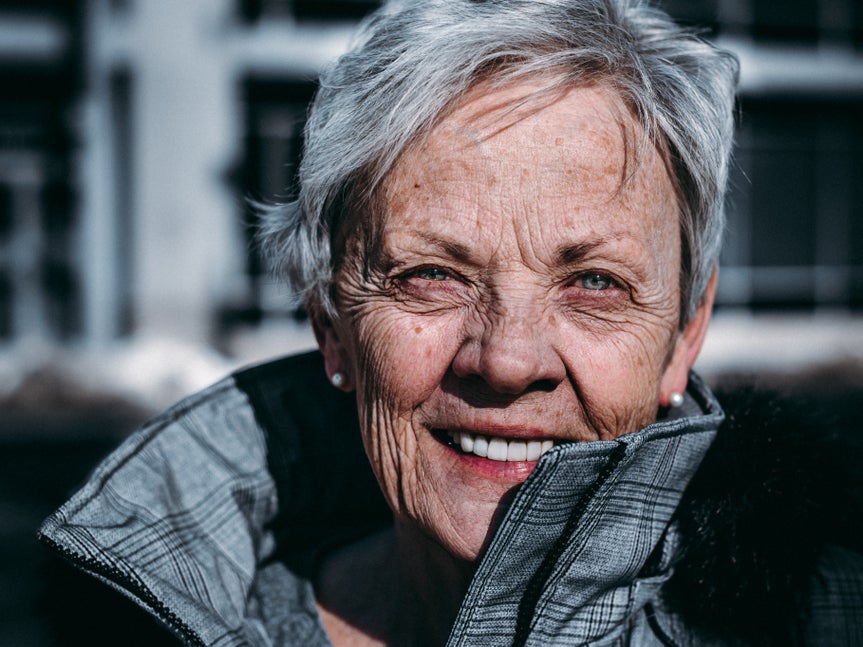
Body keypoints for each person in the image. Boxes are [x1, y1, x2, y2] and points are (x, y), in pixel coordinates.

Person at [39, 0, 862, 645]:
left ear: (685, 334)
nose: (505, 359)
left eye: (594, 283)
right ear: (331, 320)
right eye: (431, 275)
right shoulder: (135, 623)